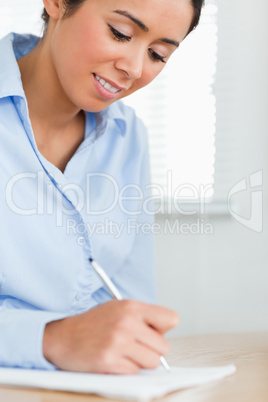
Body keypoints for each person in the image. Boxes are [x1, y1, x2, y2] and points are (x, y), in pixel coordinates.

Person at [0, 0, 204, 374]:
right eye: (120, 33)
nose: (134, 68)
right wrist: (53, 339)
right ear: (58, 4)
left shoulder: (128, 138)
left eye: (158, 54)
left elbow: (130, 303)